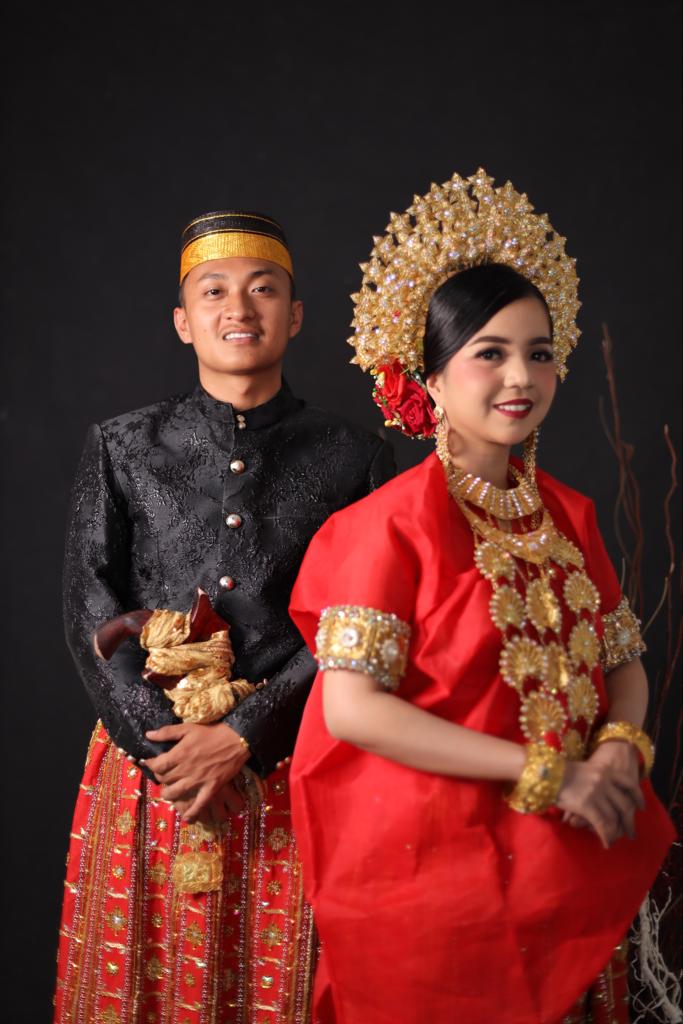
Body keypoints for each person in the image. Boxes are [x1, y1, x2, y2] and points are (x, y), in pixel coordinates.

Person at [287, 170, 675, 1024]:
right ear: (429, 377)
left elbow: (623, 664)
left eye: (539, 352)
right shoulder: (386, 525)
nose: (519, 376)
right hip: (432, 868)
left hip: (565, 857)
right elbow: (351, 710)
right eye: (488, 353)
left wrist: (619, 748)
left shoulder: (567, 514)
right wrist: (546, 773)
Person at [54, 210, 395, 1024]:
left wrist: (243, 734)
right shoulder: (123, 445)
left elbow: (363, 620)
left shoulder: (354, 455)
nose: (238, 308)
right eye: (214, 292)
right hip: (151, 768)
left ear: (295, 315)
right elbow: (87, 604)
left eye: (262, 289)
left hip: (292, 760)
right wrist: (168, 751)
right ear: (183, 320)